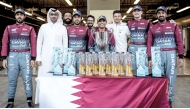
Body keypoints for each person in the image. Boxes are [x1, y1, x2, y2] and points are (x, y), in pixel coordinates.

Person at [147, 6, 184, 108]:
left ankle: (169, 100)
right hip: (157, 55)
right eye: (159, 13)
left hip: (171, 55)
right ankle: (158, 99)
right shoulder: (152, 28)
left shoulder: (173, 26)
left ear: (166, 14)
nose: (161, 15)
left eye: (163, 13)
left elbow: (179, 41)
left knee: (171, 79)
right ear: (156, 15)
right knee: (157, 79)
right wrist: (149, 58)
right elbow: (149, 44)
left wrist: (181, 56)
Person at [1, 8, 36, 108]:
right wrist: (4, 58)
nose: (19, 16)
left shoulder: (30, 28)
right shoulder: (9, 28)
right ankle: (10, 101)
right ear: (15, 16)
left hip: (26, 55)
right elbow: (4, 43)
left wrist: (33, 58)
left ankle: (29, 100)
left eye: (21, 14)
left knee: (27, 79)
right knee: (12, 80)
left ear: (24, 16)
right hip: (12, 56)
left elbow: (33, 44)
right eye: (17, 14)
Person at [36, 8, 68, 77]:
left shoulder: (63, 28)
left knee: (57, 79)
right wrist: (38, 57)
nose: (53, 16)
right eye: (51, 14)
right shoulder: (43, 27)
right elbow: (39, 43)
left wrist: (64, 59)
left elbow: (65, 44)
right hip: (45, 57)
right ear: (49, 15)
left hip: (59, 58)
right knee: (44, 77)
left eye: (55, 14)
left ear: (58, 16)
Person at [127, 5, 152, 73]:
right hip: (132, 47)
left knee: (143, 69)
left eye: (138, 11)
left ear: (141, 12)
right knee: (132, 68)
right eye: (135, 11)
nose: (136, 12)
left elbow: (154, 31)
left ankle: (142, 83)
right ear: (132, 13)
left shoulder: (147, 22)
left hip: (143, 47)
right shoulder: (129, 23)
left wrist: (168, 23)